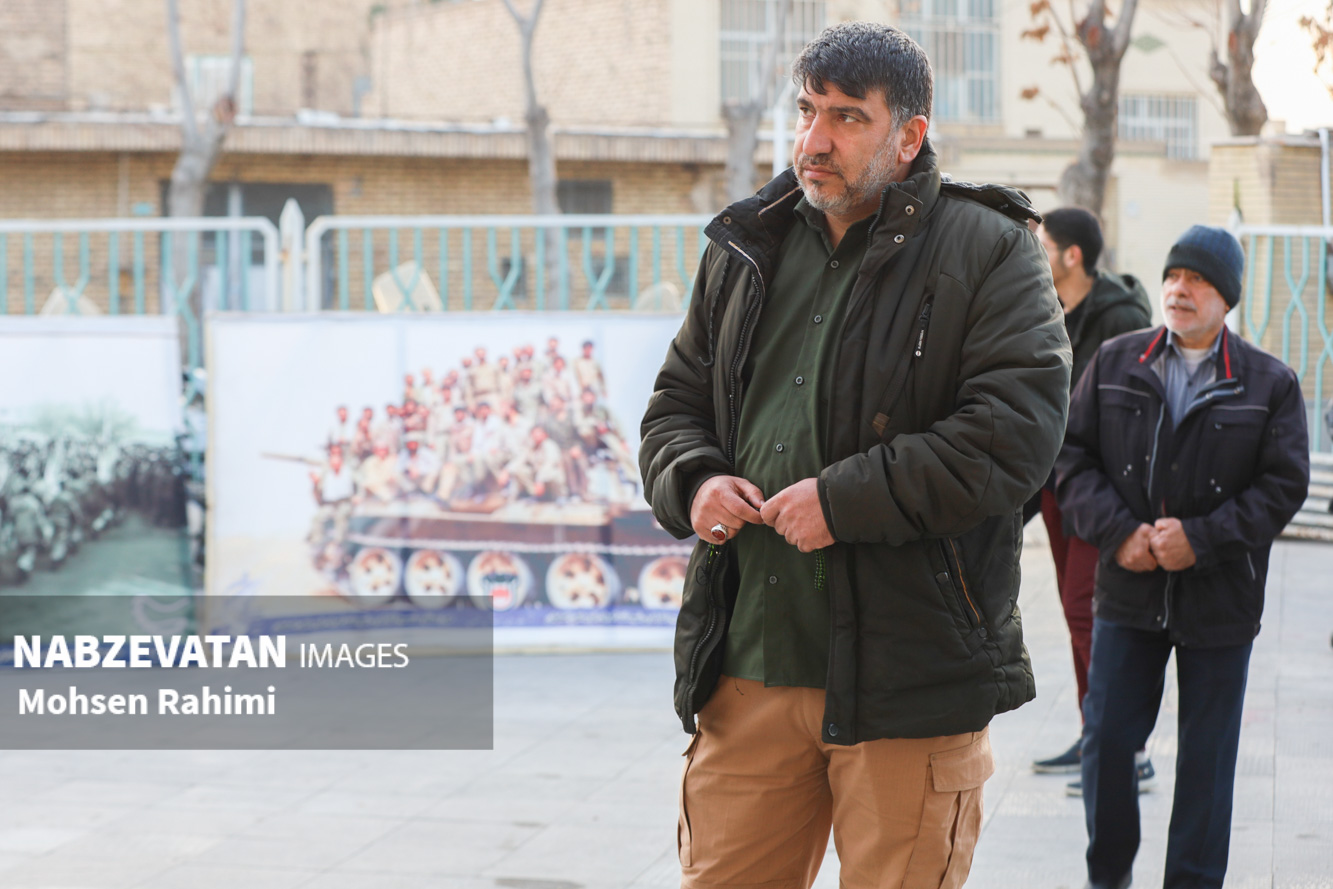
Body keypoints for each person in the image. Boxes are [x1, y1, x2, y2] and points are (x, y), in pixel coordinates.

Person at [639, 22, 1071, 889]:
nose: (813, 140)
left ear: (908, 135)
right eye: (806, 110)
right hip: (748, 668)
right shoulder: (747, 245)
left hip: (907, 680)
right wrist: (693, 480)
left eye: (845, 117)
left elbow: (1012, 434)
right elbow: (674, 406)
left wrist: (841, 502)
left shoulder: (988, 247)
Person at [1056, 225, 1309, 889]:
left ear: (1226, 297)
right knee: (1107, 742)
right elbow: (1071, 460)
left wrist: (1202, 538)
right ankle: (1107, 875)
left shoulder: (1270, 382)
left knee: (1206, 760)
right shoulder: (1115, 362)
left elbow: (1283, 486)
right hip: (1128, 590)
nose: (1178, 289)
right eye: (1172, 276)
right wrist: (1120, 533)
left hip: (1220, 600)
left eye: (1196, 279)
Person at [1028, 208, 1154, 781]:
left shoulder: (1120, 317)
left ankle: (1126, 751)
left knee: (1089, 610)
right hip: (1058, 487)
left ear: (1072, 255)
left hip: (1102, 492)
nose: (1036, 254)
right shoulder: (1051, 308)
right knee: (1076, 611)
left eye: (1044, 245)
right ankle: (1095, 735)